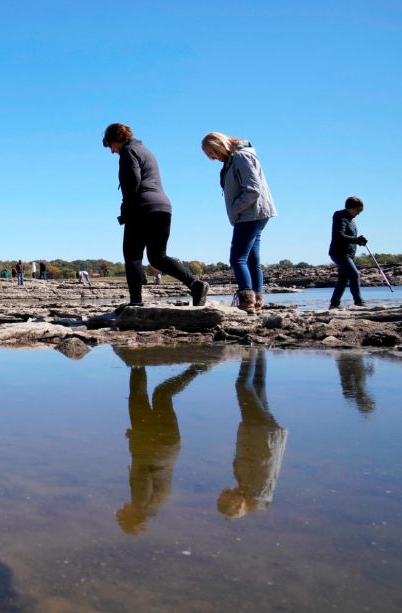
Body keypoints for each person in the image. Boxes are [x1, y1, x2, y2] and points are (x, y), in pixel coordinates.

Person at [103, 123, 209, 308]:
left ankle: (136, 303)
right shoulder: (146, 151)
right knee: (158, 257)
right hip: (163, 207)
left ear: (117, 139)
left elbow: (133, 182)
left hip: (142, 208)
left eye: (111, 145)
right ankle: (195, 284)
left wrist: (126, 207)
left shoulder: (129, 151)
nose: (112, 151)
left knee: (133, 255)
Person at [115, 361, 208, 535]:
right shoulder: (141, 501)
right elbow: (143, 473)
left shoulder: (154, 507)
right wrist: (135, 438)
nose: (121, 507)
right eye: (122, 512)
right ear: (130, 515)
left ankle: (195, 370)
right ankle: (138, 362)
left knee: (163, 395)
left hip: (170, 445)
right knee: (139, 396)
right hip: (151, 445)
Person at [202, 132, 278, 314]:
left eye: (212, 153)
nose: (213, 158)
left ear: (219, 145)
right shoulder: (235, 159)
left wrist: (235, 208)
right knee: (252, 258)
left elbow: (253, 190)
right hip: (254, 213)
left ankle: (247, 301)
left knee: (237, 258)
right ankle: (257, 301)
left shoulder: (241, 157)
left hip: (250, 213)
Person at [218, 351, 288, 520]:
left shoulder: (252, 490)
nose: (224, 491)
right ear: (235, 503)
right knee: (242, 386)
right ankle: (249, 349)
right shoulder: (254, 488)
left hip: (264, 433)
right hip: (259, 431)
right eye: (225, 495)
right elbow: (263, 459)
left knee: (257, 386)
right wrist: (254, 427)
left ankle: (259, 348)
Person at [329, 196, 368, 309]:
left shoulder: (352, 220)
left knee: (343, 279)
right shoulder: (339, 215)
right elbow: (338, 235)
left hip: (349, 254)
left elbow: (351, 237)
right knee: (354, 274)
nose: (359, 213)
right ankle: (359, 302)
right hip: (339, 253)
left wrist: (360, 241)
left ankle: (334, 304)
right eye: (358, 210)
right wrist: (356, 240)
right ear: (351, 208)